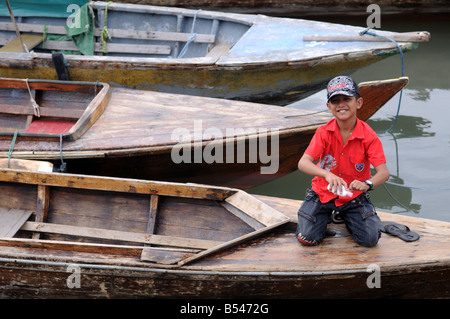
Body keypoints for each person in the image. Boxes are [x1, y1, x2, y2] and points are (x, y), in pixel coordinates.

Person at [295, 75, 390, 247]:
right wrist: (327, 175)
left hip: (353, 198)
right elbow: (303, 163)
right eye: (335, 100)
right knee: (307, 238)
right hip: (322, 194)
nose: (341, 104)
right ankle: (324, 216)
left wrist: (367, 183)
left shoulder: (369, 136)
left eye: (347, 98)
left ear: (358, 102)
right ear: (329, 107)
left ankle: (345, 216)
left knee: (370, 239)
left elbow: (383, 173)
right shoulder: (323, 132)